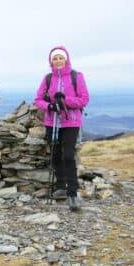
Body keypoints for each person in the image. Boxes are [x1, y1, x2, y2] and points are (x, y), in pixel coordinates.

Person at [34, 46, 90, 211]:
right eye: (55, 59)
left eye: (61, 58)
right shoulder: (48, 78)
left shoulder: (76, 76)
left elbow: (84, 99)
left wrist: (65, 102)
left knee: (68, 155)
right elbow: (38, 100)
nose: (58, 61)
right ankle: (60, 186)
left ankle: (73, 193)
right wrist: (51, 106)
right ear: (51, 61)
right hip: (52, 122)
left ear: (66, 60)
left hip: (71, 122)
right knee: (56, 155)